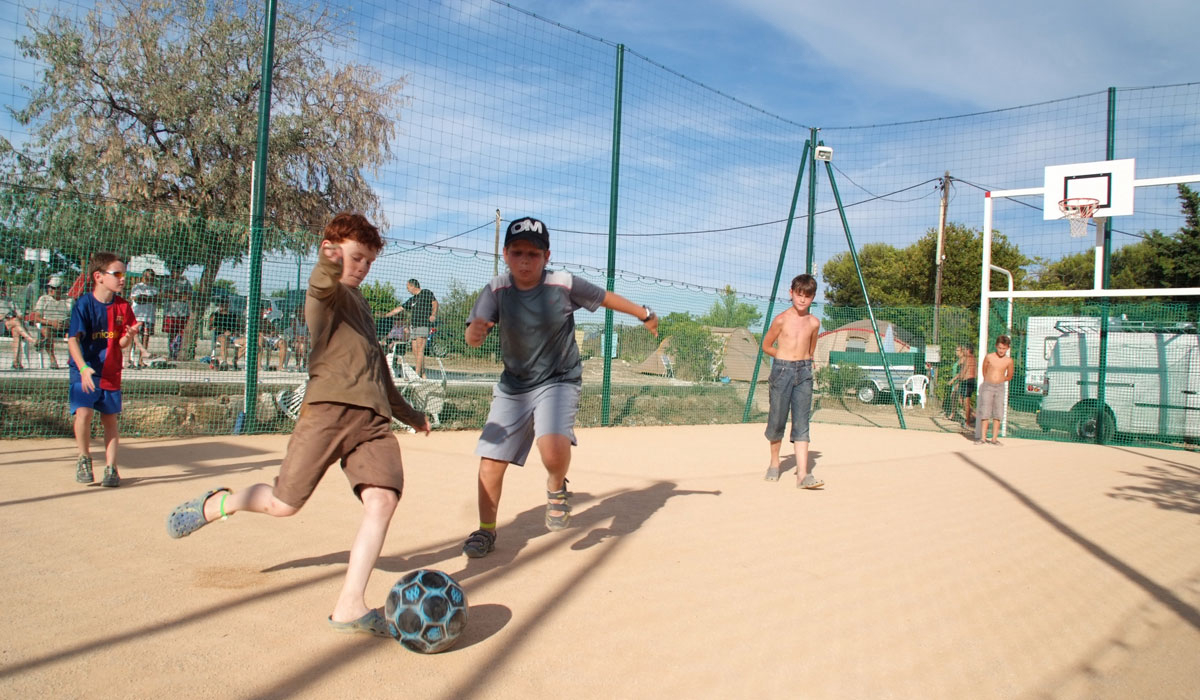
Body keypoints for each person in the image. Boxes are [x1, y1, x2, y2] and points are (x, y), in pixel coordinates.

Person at [166, 212, 430, 638]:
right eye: (356, 257)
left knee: (382, 501)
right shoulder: (325, 295)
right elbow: (323, 280)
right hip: (327, 412)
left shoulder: (361, 303)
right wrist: (329, 260)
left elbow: (378, 366)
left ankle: (349, 606)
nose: (362, 267)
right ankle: (221, 503)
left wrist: (409, 414)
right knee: (283, 505)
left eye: (368, 261)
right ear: (332, 249)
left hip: (374, 421)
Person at [460, 216, 659, 559]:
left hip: (558, 379)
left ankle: (556, 487)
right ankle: (486, 530)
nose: (525, 260)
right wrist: (474, 334)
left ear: (547, 256)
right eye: (518, 252)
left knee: (552, 448)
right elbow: (473, 334)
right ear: (506, 254)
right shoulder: (496, 289)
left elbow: (605, 297)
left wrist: (644, 313)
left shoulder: (563, 284)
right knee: (491, 460)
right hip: (514, 385)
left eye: (534, 254)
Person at [66, 253, 140, 487]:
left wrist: (128, 337)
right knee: (84, 414)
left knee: (110, 419)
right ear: (98, 276)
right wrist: (84, 368)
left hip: (110, 371)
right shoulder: (84, 304)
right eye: (117, 274)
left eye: (124, 275)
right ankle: (84, 458)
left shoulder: (123, 307)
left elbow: (120, 344)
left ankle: (111, 468)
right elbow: (72, 340)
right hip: (84, 370)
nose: (122, 279)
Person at [761, 274, 823, 488]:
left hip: (804, 373)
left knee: (802, 423)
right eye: (799, 294)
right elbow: (766, 345)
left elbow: (811, 348)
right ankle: (774, 463)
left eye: (807, 295)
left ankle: (803, 475)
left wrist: (806, 362)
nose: (802, 299)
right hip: (782, 371)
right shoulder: (781, 319)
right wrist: (782, 357)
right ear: (791, 293)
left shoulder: (815, 323)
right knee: (777, 419)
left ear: (813, 297)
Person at [381, 279, 438, 377]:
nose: (407, 290)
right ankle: (423, 374)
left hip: (423, 324)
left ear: (413, 286)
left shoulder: (426, 292)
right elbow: (400, 308)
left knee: (420, 349)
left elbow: (435, 303)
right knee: (414, 350)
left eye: (408, 287)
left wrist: (433, 314)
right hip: (414, 326)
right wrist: (386, 315)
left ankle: (417, 373)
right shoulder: (412, 299)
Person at [976, 335, 1014, 445]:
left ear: (1007, 348)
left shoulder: (1009, 361)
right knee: (985, 411)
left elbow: (1010, 375)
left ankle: (994, 438)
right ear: (996, 346)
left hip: (1000, 388)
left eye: (1004, 348)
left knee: (998, 412)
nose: (1001, 350)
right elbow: (984, 370)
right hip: (988, 386)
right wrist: (989, 379)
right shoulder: (989, 357)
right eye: (1000, 348)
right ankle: (983, 438)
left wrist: (1001, 379)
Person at [30, 275, 72, 369]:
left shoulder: (69, 300)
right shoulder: (44, 299)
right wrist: (52, 322)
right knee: (46, 331)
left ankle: (73, 359)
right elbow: (37, 318)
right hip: (49, 326)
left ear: (61, 288)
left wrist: (66, 323)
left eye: (54, 288)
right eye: (50, 287)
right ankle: (53, 359)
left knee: (74, 333)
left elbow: (75, 317)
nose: (51, 290)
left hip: (65, 327)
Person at [128, 269, 160, 368]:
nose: (149, 279)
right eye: (147, 276)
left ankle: (142, 360)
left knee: (145, 338)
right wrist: (146, 298)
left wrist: (144, 298)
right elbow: (136, 299)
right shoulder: (137, 287)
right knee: (133, 338)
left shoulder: (154, 289)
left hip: (149, 317)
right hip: (137, 316)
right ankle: (131, 359)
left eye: (151, 277)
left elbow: (156, 299)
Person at [2, 280, 36, 370]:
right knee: (15, 322)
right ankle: (33, 340)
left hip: (11, 323)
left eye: (3, 286)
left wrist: (16, 316)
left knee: (16, 331)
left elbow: (20, 314)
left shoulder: (9, 300)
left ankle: (16, 362)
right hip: (2, 324)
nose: (2, 288)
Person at [162, 267, 192, 360]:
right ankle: (171, 353)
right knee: (171, 334)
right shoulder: (167, 282)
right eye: (175, 270)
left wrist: (176, 296)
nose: (177, 273)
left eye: (179, 271)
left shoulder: (185, 282)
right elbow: (167, 294)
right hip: (170, 313)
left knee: (182, 334)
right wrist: (178, 296)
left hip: (183, 313)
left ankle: (179, 353)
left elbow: (187, 296)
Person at [208, 298, 244, 370]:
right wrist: (223, 331)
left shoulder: (233, 315)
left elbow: (239, 327)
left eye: (226, 304)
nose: (224, 306)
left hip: (232, 336)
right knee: (224, 338)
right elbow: (210, 327)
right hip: (220, 335)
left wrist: (236, 331)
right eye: (222, 304)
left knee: (247, 341)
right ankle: (224, 361)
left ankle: (233, 361)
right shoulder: (215, 315)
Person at [955, 344, 977, 430]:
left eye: (964, 349)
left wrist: (959, 381)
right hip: (971, 380)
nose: (963, 351)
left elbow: (964, 371)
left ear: (968, 350)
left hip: (967, 381)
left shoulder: (968, 358)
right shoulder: (974, 359)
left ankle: (967, 422)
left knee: (966, 402)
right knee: (961, 400)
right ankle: (973, 415)